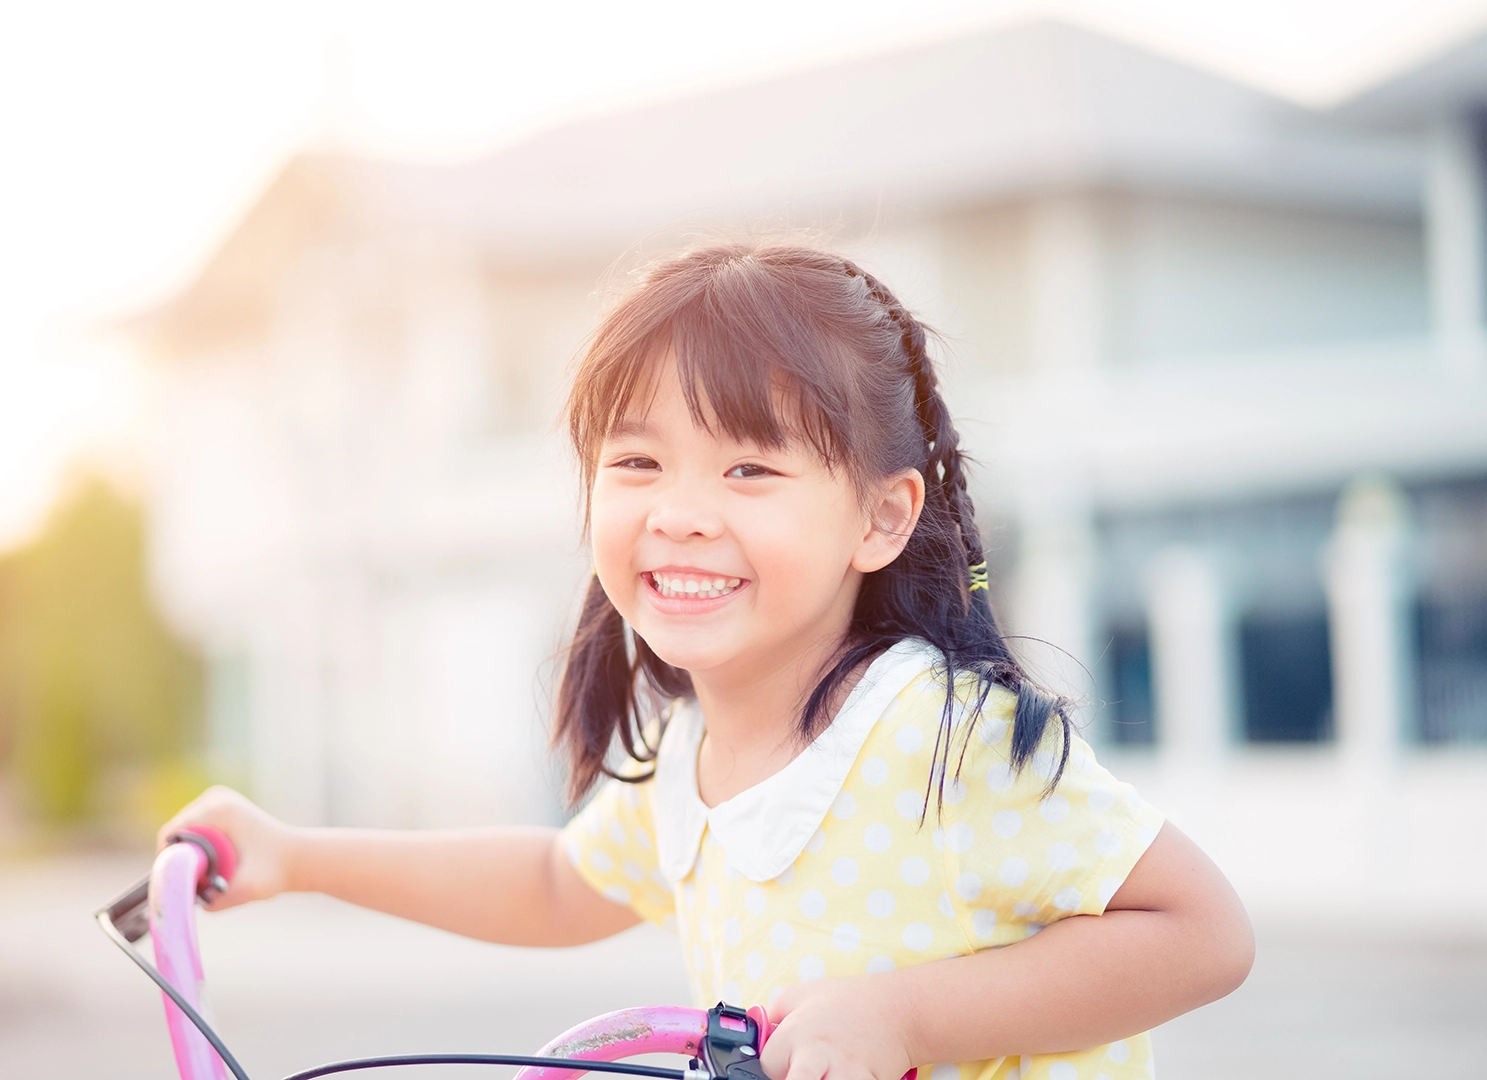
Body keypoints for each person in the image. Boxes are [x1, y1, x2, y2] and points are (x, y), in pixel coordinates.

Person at [162, 243, 1253, 1080]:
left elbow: (1202, 933)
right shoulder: (694, 756)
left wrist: (905, 1013)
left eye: (749, 470)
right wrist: (294, 855)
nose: (679, 515)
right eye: (637, 461)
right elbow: (553, 885)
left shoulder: (935, 739)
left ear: (881, 518)